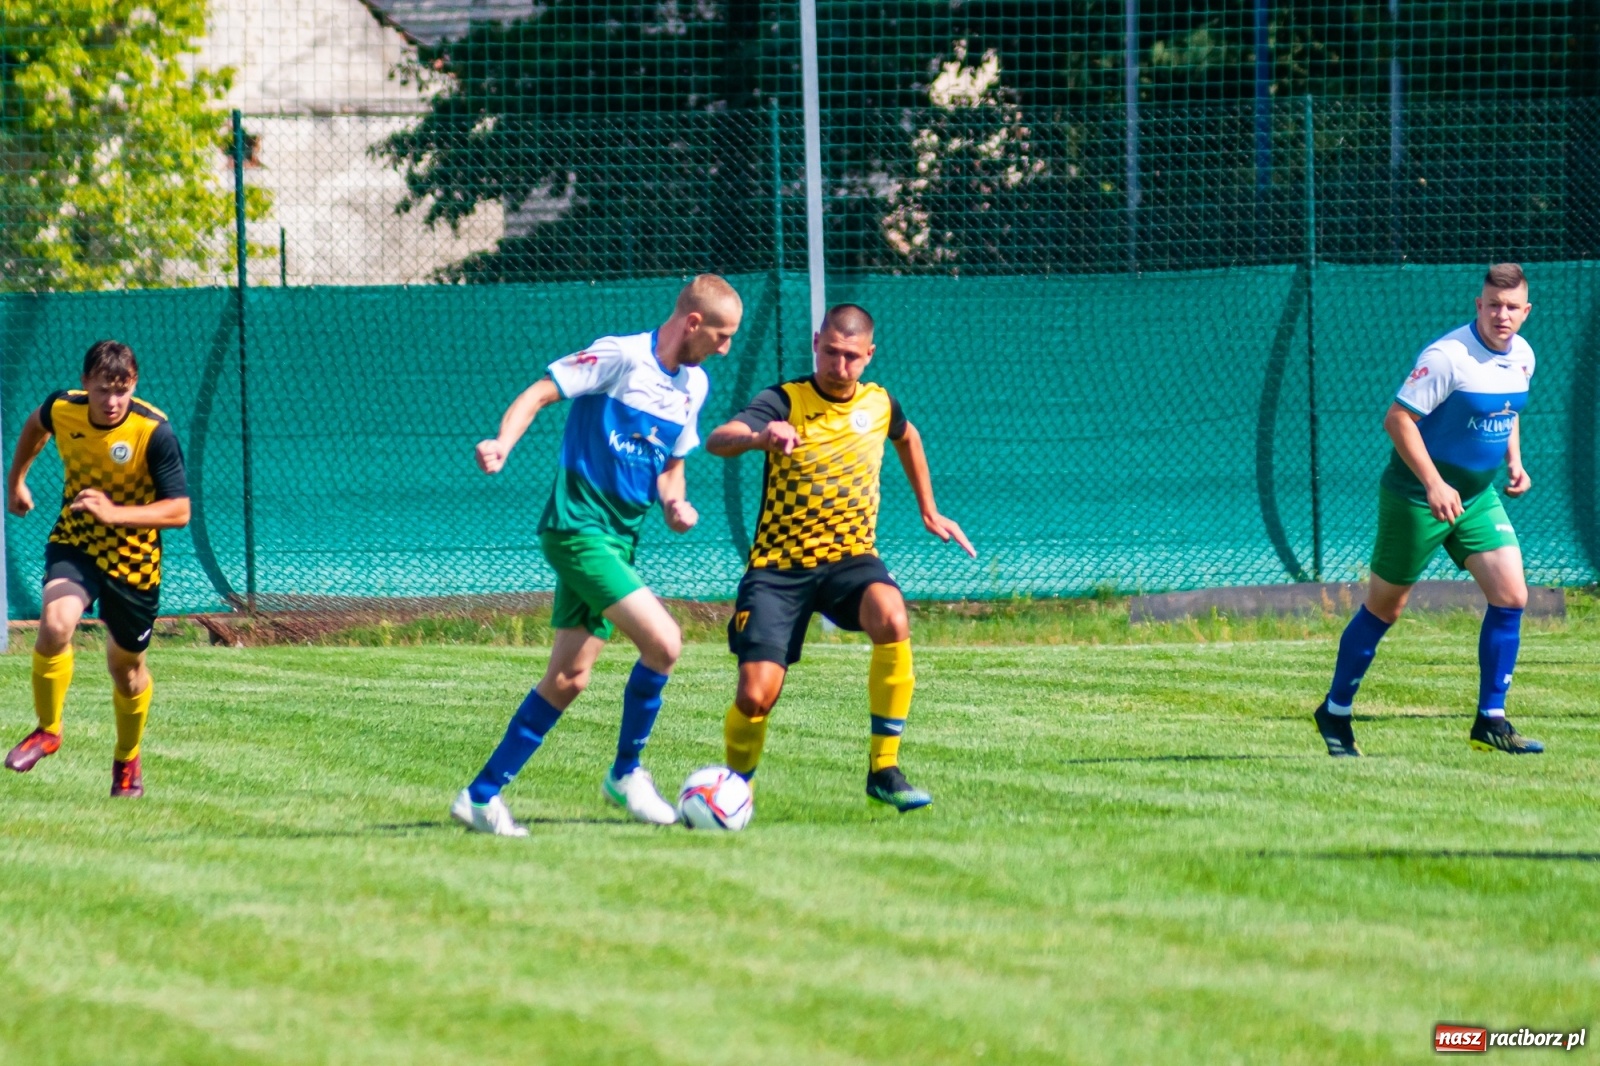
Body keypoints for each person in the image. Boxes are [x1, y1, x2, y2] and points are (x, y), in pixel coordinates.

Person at [451, 274, 743, 836]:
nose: (725, 349)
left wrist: (676, 505)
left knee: (570, 677)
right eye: (722, 336)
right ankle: (626, 774)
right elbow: (540, 391)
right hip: (577, 530)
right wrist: (503, 444)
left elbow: (672, 464)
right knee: (665, 642)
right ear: (693, 323)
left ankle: (481, 796)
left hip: (620, 540)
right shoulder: (620, 357)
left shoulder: (695, 386)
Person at [705, 303, 974, 813]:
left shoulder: (879, 404)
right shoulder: (784, 399)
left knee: (893, 616)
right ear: (816, 344)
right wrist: (762, 436)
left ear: (869, 355)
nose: (839, 365)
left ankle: (883, 768)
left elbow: (907, 436)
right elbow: (720, 439)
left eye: (851, 356)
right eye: (830, 352)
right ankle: (734, 791)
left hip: (850, 560)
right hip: (779, 569)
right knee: (756, 696)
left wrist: (929, 509)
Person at [1314, 263, 1543, 757]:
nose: (1501, 315)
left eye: (1511, 307)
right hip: (1418, 497)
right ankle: (1335, 712)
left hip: (1477, 498)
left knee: (1511, 595)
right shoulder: (1448, 358)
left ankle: (1491, 719)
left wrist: (1514, 461)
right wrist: (1434, 483)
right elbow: (1397, 420)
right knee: (1385, 608)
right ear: (1478, 306)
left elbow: (1507, 412)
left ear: (1525, 312)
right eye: (1492, 305)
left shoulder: (1522, 355)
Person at [4, 341, 191, 797]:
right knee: (55, 623)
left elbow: (179, 512)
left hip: (134, 559)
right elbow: (36, 425)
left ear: (134, 386)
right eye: (104, 390)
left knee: (126, 671)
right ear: (85, 383)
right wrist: (17, 481)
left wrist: (115, 513)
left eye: (122, 391)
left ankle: (127, 760)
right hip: (78, 540)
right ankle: (48, 730)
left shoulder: (155, 431)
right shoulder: (63, 408)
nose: (112, 402)